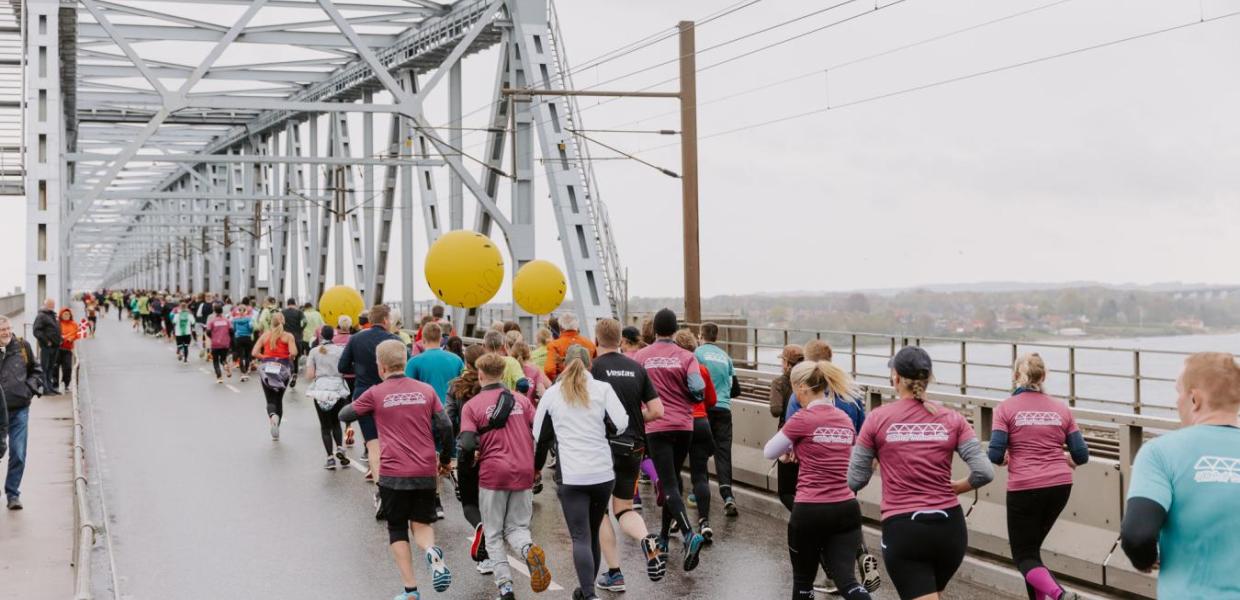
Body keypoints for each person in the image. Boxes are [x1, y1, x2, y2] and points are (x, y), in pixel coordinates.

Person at [848, 346, 994, 600]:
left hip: (905, 529)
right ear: (928, 379)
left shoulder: (877, 419)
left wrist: (877, 459)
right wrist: (958, 487)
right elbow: (984, 472)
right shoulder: (953, 418)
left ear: (895, 377)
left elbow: (855, 480)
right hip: (950, 529)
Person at [339, 340, 454, 600]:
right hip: (425, 469)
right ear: (405, 361)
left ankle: (411, 590)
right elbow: (445, 426)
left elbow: (345, 414)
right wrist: (445, 458)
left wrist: (368, 406)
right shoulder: (426, 391)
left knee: (397, 528)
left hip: (393, 473)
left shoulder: (376, 393)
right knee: (422, 523)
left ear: (380, 367)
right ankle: (430, 551)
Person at [1120, 352, 1240, 599]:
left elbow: (1137, 535)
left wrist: (1145, 560)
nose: (1177, 401)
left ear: (1194, 399)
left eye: (1179, 392)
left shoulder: (1159, 453)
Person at [764, 360, 873, 600]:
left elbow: (770, 451)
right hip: (846, 509)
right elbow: (853, 461)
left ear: (802, 388)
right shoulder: (844, 419)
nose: (794, 394)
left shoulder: (802, 419)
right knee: (848, 582)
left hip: (810, 509)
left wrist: (792, 450)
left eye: (794, 389)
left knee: (803, 582)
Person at [988, 354, 1089, 600]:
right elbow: (1082, 455)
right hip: (1059, 486)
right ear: (1043, 376)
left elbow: (994, 453)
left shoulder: (1005, 409)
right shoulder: (1061, 409)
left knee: (1024, 556)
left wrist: (1007, 458)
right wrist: (1063, 458)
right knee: (1033, 555)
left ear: (1015, 376)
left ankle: (1059, 595)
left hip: (1024, 488)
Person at [534, 345, 630, 600]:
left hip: (572, 475)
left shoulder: (553, 393)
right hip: (601, 474)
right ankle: (586, 590)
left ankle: (588, 593)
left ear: (564, 364)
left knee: (580, 536)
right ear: (590, 365)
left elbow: (539, 435)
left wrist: (536, 467)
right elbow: (620, 425)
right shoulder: (603, 389)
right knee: (593, 530)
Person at [459, 354, 551, 599]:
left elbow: (467, 443)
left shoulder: (472, 406)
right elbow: (542, 432)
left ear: (480, 375)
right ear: (502, 374)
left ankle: (506, 588)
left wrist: (472, 459)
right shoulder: (521, 400)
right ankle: (527, 549)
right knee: (518, 527)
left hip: (493, 474)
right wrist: (536, 465)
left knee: (493, 533)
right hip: (523, 470)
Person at [591, 318, 667, 591]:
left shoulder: (593, 368)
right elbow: (658, 411)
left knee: (599, 511)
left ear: (597, 339)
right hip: (634, 445)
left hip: (602, 447)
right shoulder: (637, 368)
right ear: (621, 339)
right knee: (623, 508)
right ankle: (646, 538)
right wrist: (635, 419)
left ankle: (614, 573)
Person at [631, 308, 707, 572]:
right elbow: (698, 389)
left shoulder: (641, 357)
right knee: (672, 480)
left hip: (656, 425)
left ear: (654, 331)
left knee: (668, 483)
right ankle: (663, 538)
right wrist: (687, 398)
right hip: (684, 426)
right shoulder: (687, 357)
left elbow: (634, 390)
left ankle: (688, 534)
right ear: (675, 329)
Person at [339, 305, 401, 480]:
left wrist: (360, 370)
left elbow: (342, 366)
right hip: (390, 394)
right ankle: (392, 475)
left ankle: (378, 482)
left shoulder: (355, 339)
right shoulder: (395, 340)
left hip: (364, 393)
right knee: (390, 438)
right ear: (386, 320)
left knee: (373, 443)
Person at [445, 345, 491, 574]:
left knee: (469, 503)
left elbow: (448, 418)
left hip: (466, 450)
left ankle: (480, 530)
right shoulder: (490, 388)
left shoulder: (456, 386)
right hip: (492, 450)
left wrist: (455, 441)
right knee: (491, 501)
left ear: (466, 362)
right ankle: (494, 552)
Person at [672, 330, 718, 542]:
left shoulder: (673, 368)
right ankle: (704, 521)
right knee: (700, 475)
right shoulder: (702, 369)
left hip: (680, 423)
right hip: (701, 422)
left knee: (675, 473)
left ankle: (675, 517)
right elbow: (711, 400)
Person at [695, 322, 740, 517]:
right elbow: (736, 389)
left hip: (705, 409)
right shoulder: (726, 357)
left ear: (700, 335)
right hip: (724, 409)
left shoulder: (697, 354)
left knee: (701, 451)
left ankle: (698, 493)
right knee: (723, 453)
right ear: (716, 336)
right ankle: (728, 496)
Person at [1, 315, 42, 510]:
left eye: (8, 328)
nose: (7, 333)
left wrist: (29, 390)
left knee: (18, 453)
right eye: (2, 330)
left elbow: (36, 370)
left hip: (19, 409)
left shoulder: (22, 346)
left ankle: (12, 494)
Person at [785, 340, 865, 431]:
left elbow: (791, 431)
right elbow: (860, 430)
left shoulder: (801, 394)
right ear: (830, 359)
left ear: (806, 362)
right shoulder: (851, 393)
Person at [304, 326, 352, 470]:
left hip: (321, 390)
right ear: (334, 335)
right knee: (336, 422)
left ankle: (330, 459)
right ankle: (340, 448)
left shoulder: (314, 352)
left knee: (325, 427)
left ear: (321, 336)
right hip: (338, 389)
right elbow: (345, 369)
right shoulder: (340, 350)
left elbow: (310, 375)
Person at [252, 312, 299, 440]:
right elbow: (294, 352)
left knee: (270, 399)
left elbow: (254, 352)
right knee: (279, 399)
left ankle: (272, 416)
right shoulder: (288, 336)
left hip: (267, 368)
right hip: (283, 369)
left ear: (270, 322)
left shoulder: (265, 336)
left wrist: (266, 357)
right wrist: (289, 356)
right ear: (283, 321)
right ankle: (277, 428)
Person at [770, 345, 804, 511]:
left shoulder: (780, 382)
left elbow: (775, 411)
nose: (781, 364)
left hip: (788, 438)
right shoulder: (808, 382)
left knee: (786, 491)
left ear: (788, 363)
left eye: (782, 360)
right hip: (808, 437)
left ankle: (802, 519)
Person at [404, 322, 464, 407]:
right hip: (451, 412)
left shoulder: (413, 362)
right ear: (441, 339)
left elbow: (407, 391)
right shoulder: (457, 360)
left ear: (423, 340)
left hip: (426, 411)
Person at [543, 313, 596, 381]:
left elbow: (549, 370)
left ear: (561, 327)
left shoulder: (554, 345)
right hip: (586, 383)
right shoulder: (590, 344)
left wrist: (557, 381)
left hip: (564, 384)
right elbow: (595, 367)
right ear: (577, 326)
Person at [32, 298, 62, 395]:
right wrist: (46, 341)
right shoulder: (41, 316)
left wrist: (59, 339)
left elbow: (55, 330)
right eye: (49, 304)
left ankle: (50, 387)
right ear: (45, 305)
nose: (52, 306)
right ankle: (45, 389)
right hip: (47, 347)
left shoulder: (52, 315)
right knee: (45, 368)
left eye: (53, 304)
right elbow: (36, 331)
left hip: (55, 346)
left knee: (51, 368)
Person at [281, 298, 307, 386]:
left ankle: (286, 374)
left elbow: (279, 323)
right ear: (294, 304)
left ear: (287, 304)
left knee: (286, 356)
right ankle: (294, 374)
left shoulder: (283, 312)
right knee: (295, 357)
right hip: (297, 337)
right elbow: (305, 321)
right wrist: (301, 329)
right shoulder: (299, 312)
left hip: (286, 337)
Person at [206, 305, 233, 383]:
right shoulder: (227, 321)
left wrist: (212, 337)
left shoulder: (212, 321)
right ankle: (225, 365)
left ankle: (219, 377)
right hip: (225, 343)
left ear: (214, 311)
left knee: (215, 361)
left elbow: (208, 332)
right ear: (222, 311)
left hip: (215, 343)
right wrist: (228, 339)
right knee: (223, 359)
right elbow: (231, 331)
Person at [231, 301, 256, 382]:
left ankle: (243, 373)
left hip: (238, 338)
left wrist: (237, 332)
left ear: (238, 311)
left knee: (241, 356)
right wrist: (250, 331)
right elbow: (251, 327)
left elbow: (234, 329)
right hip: (247, 337)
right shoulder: (249, 319)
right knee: (248, 354)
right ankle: (247, 369)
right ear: (246, 311)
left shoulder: (235, 320)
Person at [56, 308, 80, 389]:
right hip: (58, 348)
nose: (66, 316)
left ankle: (65, 383)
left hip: (68, 349)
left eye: (68, 314)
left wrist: (71, 338)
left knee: (67, 367)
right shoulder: (57, 324)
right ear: (61, 315)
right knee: (55, 366)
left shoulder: (73, 324)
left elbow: (77, 334)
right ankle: (55, 384)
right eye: (64, 314)